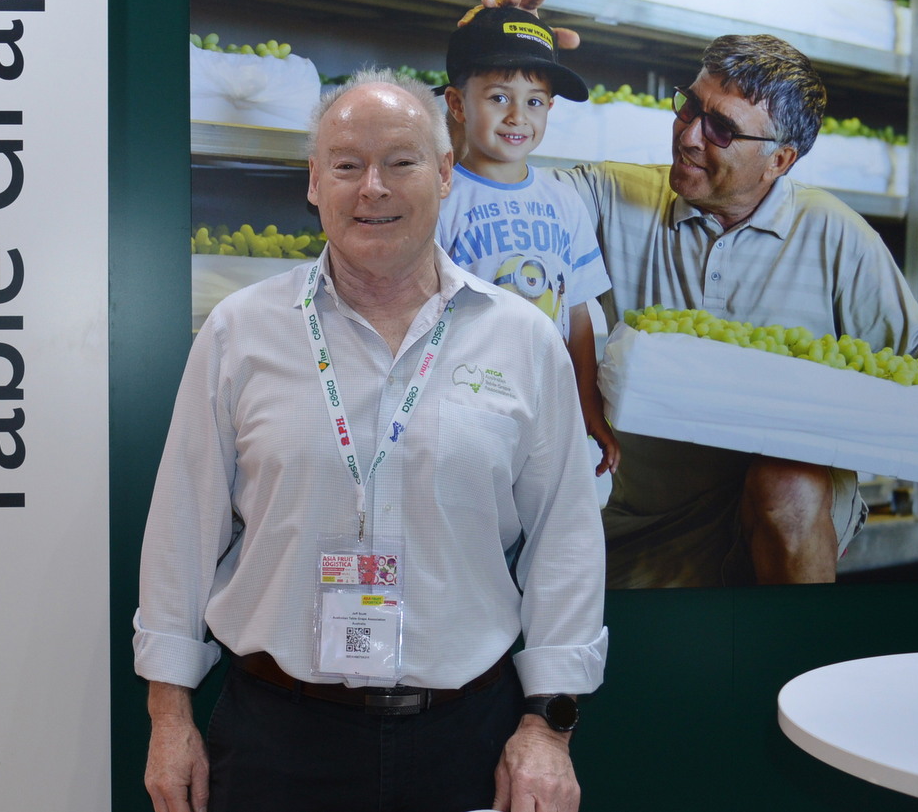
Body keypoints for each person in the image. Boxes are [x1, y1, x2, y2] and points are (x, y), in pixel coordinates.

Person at [133, 67, 608, 812]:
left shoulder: (523, 340)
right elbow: (181, 528)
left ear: (444, 173)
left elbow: (566, 539)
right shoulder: (240, 332)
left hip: (466, 740)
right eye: (348, 165)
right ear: (314, 181)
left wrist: (549, 727)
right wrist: (168, 716)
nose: (373, 188)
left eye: (400, 162)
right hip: (276, 739)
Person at [542, 27, 918, 588]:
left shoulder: (833, 233)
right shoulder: (610, 196)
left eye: (722, 128)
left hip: (788, 507)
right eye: (689, 106)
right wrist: (495, 62)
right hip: (642, 514)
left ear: (779, 159)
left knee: (788, 483)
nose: (689, 135)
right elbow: (502, 191)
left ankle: (799, 644)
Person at [436, 5, 619, 475]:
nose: (518, 116)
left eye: (535, 102)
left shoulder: (564, 201)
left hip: (548, 405)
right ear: (457, 105)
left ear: (550, 108)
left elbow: (577, 315)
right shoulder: (438, 199)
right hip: (463, 405)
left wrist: (588, 405)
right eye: (499, 97)